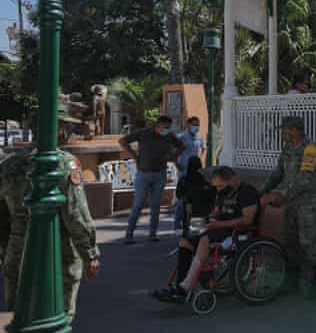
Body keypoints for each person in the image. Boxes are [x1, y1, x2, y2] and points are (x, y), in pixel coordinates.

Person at [0, 116, 100, 318]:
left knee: (18, 316)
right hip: (58, 251)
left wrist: (5, 246)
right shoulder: (65, 162)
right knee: (59, 317)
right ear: (59, 131)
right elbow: (75, 213)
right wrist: (89, 253)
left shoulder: (9, 163)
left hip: (18, 246)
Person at [153, 166, 259, 304]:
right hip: (219, 229)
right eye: (216, 186)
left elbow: (247, 220)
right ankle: (179, 286)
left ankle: (186, 288)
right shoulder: (223, 192)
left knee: (205, 239)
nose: (218, 189)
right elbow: (216, 211)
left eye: (220, 185)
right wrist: (207, 219)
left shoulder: (247, 192)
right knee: (186, 241)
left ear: (232, 180)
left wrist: (218, 225)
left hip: (238, 233)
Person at [259, 116, 316, 298]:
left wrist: (283, 194)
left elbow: (305, 178)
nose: (283, 133)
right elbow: (278, 172)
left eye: (286, 130)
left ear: (295, 130)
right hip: (291, 203)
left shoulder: (310, 148)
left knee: (309, 241)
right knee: (291, 241)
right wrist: (264, 189)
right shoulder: (288, 148)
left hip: (307, 203)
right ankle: (293, 282)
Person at [119, 115, 185, 243]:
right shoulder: (144, 133)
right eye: (165, 127)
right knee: (138, 205)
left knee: (155, 206)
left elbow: (181, 146)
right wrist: (134, 156)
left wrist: (174, 157)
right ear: (158, 125)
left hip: (160, 173)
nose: (167, 130)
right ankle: (129, 234)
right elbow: (122, 141)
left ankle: (152, 234)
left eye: (168, 127)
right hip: (144, 173)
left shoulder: (169, 136)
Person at [175, 117, 206, 230]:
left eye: (198, 124)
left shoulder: (199, 136)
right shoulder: (181, 137)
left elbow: (203, 149)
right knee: (182, 197)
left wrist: (200, 160)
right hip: (184, 171)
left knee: (195, 197)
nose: (196, 127)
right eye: (194, 124)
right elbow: (174, 152)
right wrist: (177, 164)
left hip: (196, 171)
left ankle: (189, 222)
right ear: (188, 125)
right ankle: (177, 222)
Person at [175, 156, 216, 237]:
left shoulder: (183, 180)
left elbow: (178, 195)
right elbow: (213, 193)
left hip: (189, 210)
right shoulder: (206, 179)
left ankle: (184, 229)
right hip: (206, 209)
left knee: (183, 203)